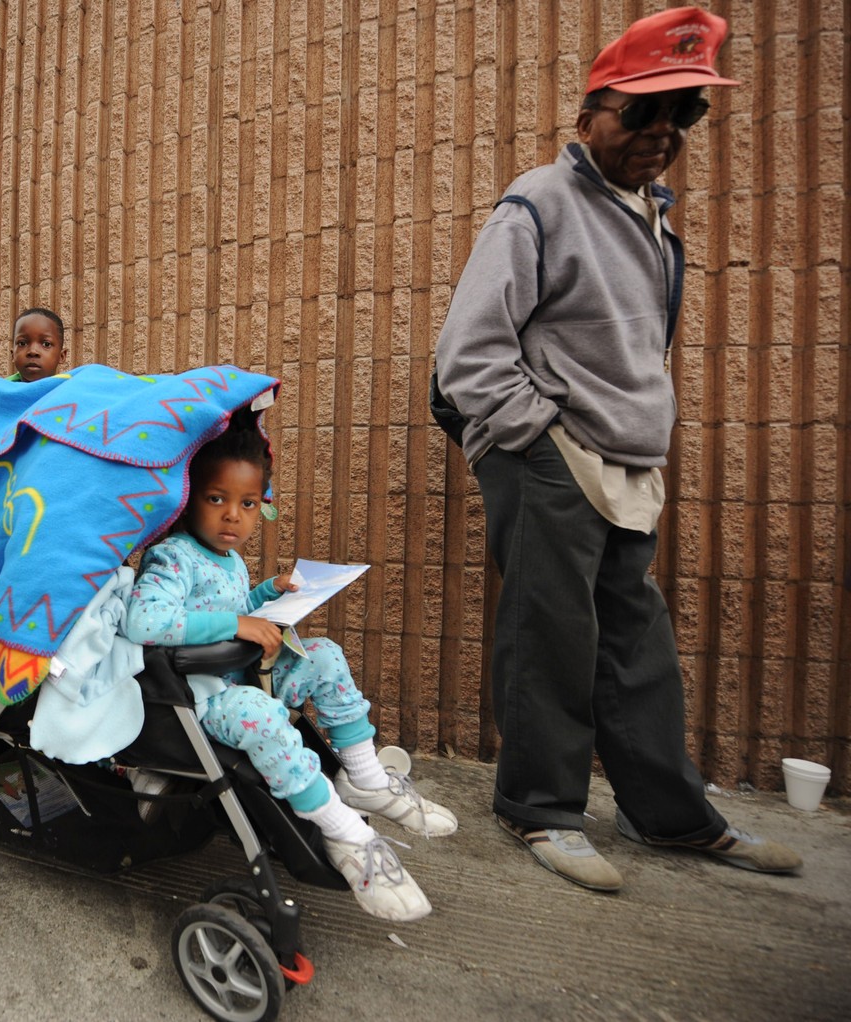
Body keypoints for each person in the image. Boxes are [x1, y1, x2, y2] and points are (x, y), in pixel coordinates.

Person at [433, 7, 801, 891]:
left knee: (637, 646)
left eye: (685, 114)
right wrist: (539, 439)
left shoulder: (650, 216)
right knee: (551, 638)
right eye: (641, 111)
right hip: (555, 459)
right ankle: (540, 811)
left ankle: (673, 818)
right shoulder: (540, 202)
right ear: (587, 115)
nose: (662, 132)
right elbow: (467, 354)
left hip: (626, 467)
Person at [121, 427, 450, 922]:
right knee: (263, 715)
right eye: (217, 499)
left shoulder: (227, 558)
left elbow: (229, 608)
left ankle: (362, 775)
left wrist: (265, 595)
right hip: (202, 696)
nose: (233, 515)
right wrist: (239, 622)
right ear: (188, 498)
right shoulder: (173, 555)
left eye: (249, 504)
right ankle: (342, 829)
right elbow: (144, 620)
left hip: (242, 672)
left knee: (324, 656)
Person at [8, 308, 67, 382]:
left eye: (46, 344)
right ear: (13, 354)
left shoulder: (72, 391)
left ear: (61, 356)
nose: (33, 351)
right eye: (22, 343)